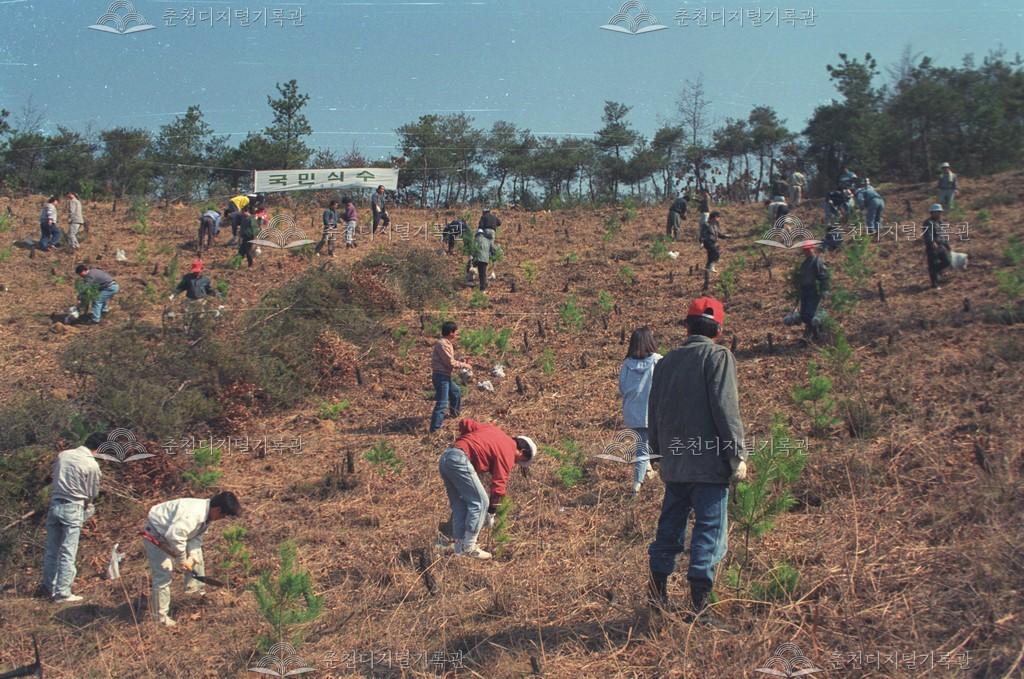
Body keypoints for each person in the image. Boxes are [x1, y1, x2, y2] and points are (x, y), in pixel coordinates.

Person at [647, 297, 747, 627]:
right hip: (709, 466)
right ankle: (700, 609)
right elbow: (725, 409)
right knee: (709, 532)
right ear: (718, 330)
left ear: (687, 327)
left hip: (675, 464)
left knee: (669, 529)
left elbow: (654, 409)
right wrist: (736, 454)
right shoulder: (718, 357)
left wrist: (658, 452)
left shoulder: (666, 363)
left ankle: (657, 596)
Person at [438, 419, 536, 560]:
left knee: (460, 506)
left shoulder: (492, 430)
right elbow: (499, 485)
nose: (515, 463)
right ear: (522, 451)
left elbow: (465, 423)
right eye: (519, 460)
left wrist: (468, 442)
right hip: (459, 459)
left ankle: (459, 549)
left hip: (446, 458)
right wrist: (491, 512)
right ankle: (470, 547)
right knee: (481, 502)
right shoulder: (508, 451)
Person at [141, 491, 242, 626]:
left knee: (197, 558)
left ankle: (195, 594)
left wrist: (192, 557)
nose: (222, 518)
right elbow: (174, 536)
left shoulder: (207, 515)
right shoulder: (193, 514)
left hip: (173, 534)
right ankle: (160, 619)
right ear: (217, 509)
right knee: (163, 574)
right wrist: (182, 559)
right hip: (156, 534)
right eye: (223, 515)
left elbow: (195, 537)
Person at [41, 432, 105, 603]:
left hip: (55, 504)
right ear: (100, 448)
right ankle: (63, 593)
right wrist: (88, 507)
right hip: (73, 506)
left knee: (51, 550)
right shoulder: (92, 465)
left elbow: (53, 476)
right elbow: (92, 493)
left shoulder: (63, 455)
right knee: (68, 551)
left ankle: (48, 588)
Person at [618, 327, 662, 496]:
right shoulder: (658, 361)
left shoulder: (627, 364)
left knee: (643, 445)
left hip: (632, 413)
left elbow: (622, 388)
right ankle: (636, 485)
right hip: (652, 413)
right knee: (643, 448)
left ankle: (648, 471)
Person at [430, 321, 473, 433]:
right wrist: (465, 365)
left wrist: (462, 361)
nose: (457, 333)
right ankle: (435, 429)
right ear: (451, 332)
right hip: (441, 377)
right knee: (442, 403)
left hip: (445, 376)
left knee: (456, 392)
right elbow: (450, 362)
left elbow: (450, 360)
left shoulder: (446, 343)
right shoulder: (442, 344)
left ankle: (455, 415)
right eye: (456, 331)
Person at [797, 241, 830, 343]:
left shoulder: (817, 261)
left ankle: (809, 336)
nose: (807, 252)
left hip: (813, 291)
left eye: (808, 249)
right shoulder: (805, 263)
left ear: (813, 249)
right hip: (805, 291)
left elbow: (824, 276)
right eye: (805, 250)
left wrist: (824, 289)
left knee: (811, 314)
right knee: (804, 315)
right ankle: (817, 335)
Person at [923, 203, 952, 289]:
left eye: (940, 212)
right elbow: (927, 234)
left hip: (941, 246)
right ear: (932, 213)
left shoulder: (940, 222)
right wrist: (932, 242)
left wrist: (947, 244)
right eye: (937, 212)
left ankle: (936, 271)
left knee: (947, 261)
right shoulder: (928, 222)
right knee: (933, 263)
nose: (939, 214)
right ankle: (934, 284)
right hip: (932, 248)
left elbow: (943, 235)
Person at [473, 226, 495, 291]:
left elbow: (474, 248)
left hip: (479, 258)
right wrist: (492, 256)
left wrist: (473, 257)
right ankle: (484, 285)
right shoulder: (487, 239)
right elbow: (492, 249)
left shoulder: (476, 239)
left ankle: (482, 288)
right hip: (485, 259)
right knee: (483, 272)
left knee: (481, 273)